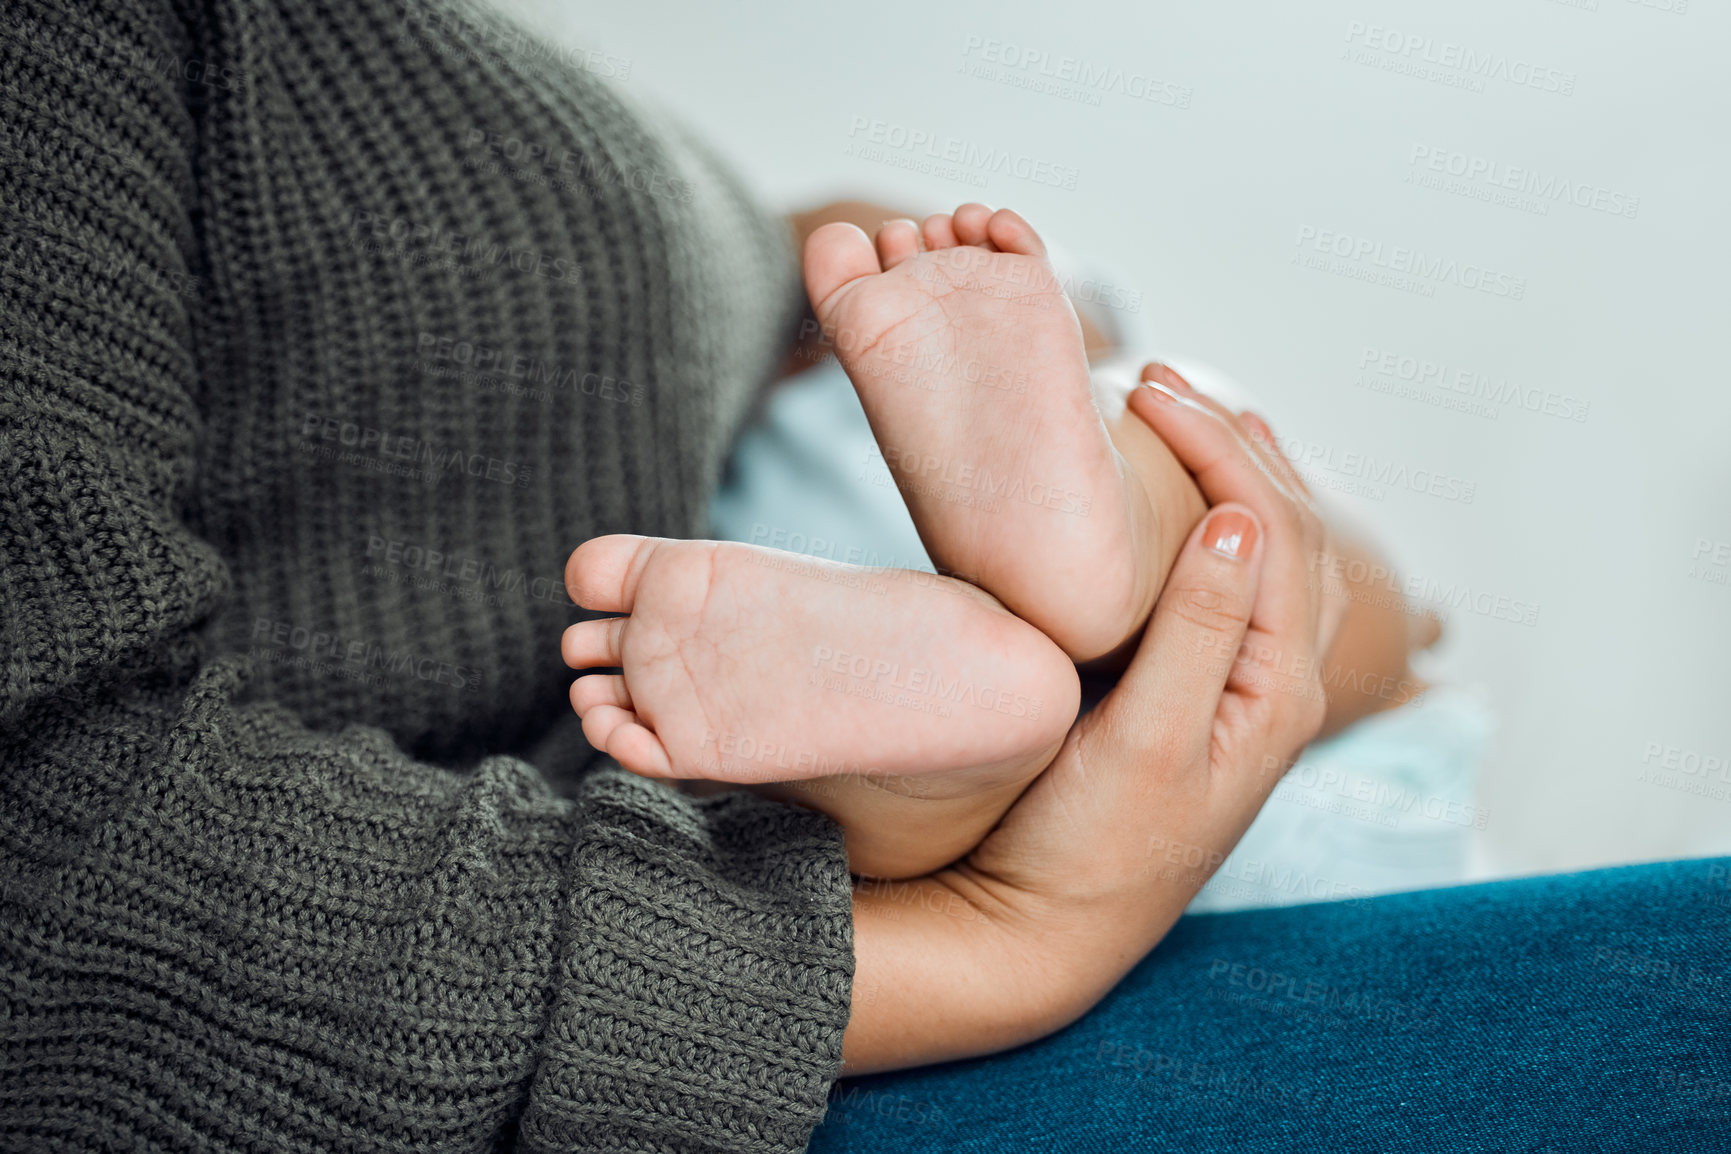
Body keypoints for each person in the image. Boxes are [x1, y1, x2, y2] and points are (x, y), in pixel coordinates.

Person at [560, 205, 1432, 879]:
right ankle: (1133, 536)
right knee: (1230, 484)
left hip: (952, 848)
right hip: (1321, 813)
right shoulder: (927, 316)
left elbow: (834, 233)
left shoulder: (740, 480)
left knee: (885, 809)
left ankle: (953, 766)